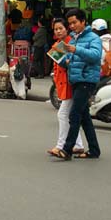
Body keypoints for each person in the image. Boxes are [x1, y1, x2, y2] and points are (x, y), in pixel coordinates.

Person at [56, 8, 102, 161]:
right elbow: (68, 59)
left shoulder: (93, 38)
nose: (72, 26)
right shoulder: (73, 38)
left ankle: (67, 149)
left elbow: (95, 56)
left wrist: (76, 50)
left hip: (87, 80)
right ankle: (94, 150)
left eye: (74, 22)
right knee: (84, 117)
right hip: (75, 80)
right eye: (70, 23)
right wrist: (63, 59)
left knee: (74, 114)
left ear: (83, 21)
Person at [47, 17, 84, 159]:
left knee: (62, 114)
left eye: (60, 28)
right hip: (63, 83)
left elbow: (67, 64)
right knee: (70, 116)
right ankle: (78, 145)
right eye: (56, 29)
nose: (58, 31)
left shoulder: (69, 43)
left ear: (66, 29)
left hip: (70, 83)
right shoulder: (57, 45)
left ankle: (61, 145)